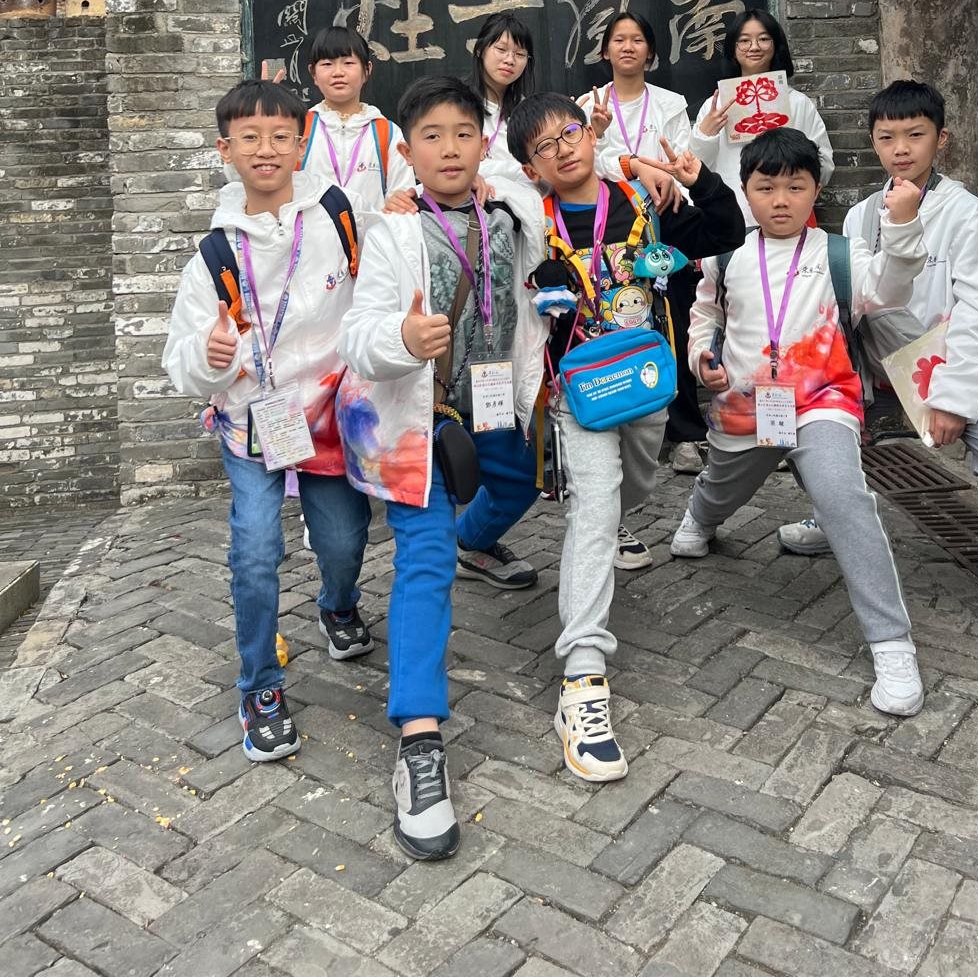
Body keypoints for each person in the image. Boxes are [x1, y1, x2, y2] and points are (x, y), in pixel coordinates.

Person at [777, 80, 978, 662]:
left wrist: (955, 399)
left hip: (948, 366)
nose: (901, 149)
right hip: (876, 366)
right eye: (887, 137)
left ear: (942, 138)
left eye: (915, 135)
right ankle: (830, 514)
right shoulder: (861, 216)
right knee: (799, 415)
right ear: (873, 143)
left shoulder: (966, 214)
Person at [337, 76, 548, 859]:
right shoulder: (392, 231)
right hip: (420, 419)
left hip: (494, 405)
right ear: (408, 149)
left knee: (520, 484)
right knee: (423, 561)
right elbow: (358, 333)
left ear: (483, 143)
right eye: (432, 135)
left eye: (463, 133)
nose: (450, 148)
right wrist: (401, 340)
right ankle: (420, 741)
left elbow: (564, 194)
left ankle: (475, 538)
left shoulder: (510, 211)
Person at [508, 91, 745, 782]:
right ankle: (582, 678)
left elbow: (724, 231)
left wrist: (699, 179)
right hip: (576, 391)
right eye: (544, 147)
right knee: (593, 508)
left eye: (569, 134)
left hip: (645, 382)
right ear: (530, 167)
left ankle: (614, 520)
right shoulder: (527, 221)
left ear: (591, 134)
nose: (562, 150)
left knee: (630, 488)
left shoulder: (644, 201)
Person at [670, 127, 928, 717]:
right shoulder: (728, 259)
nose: (781, 200)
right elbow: (705, 314)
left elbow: (890, 290)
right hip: (745, 405)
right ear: (746, 191)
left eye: (796, 186)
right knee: (722, 487)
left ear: (816, 190)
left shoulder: (840, 254)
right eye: (766, 188)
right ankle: (701, 517)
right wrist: (700, 356)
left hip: (822, 401)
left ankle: (891, 643)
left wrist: (903, 226)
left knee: (843, 496)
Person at [163, 80, 373, 763]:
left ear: (301, 143)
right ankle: (259, 686)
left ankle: (337, 604)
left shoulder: (337, 214)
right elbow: (180, 359)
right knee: (255, 551)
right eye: (249, 137)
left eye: (281, 136)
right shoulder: (214, 256)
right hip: (252, 422)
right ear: (225, 150)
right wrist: (208, 358)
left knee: (343, 541)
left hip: (329, 418)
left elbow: (382, 276)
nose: (266, 149)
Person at [577, 11, 706, 477]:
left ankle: (685, 432)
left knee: (677, 318)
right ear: (605, 50)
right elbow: (586, 160)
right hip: (611, 226)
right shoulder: (587, 104)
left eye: (636, 39)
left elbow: (684, 157)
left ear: (650, 51)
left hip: (665, 217)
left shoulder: (670, 103)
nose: (627, 47)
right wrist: (608, 139)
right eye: (619, 39)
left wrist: (672, 183)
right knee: (621, 317)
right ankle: (623, 416)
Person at [691, 8, 834, 224]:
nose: (754, 47)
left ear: (776, 45)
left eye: (764, 39)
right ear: (733, 49)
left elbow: (824, 164)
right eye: (744, 41)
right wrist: (705, 134)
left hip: (786, 218)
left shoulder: (797, 103)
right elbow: (695, 169)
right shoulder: (716, 105)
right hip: (729, 217)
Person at [298, 25, 414, 227]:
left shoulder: (387, 133)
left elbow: (402, 200)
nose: (338, 72)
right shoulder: (299, 129)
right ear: (313, 73)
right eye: (327, 64)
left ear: (367, 70)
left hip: (373, 243)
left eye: (348, 63)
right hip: (311, 243)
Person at [471, 11, 538, 190]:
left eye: (520, 54)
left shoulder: (528, 112)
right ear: (480, 50)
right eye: (501, 49)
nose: (510, 60)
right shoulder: (457, 104)